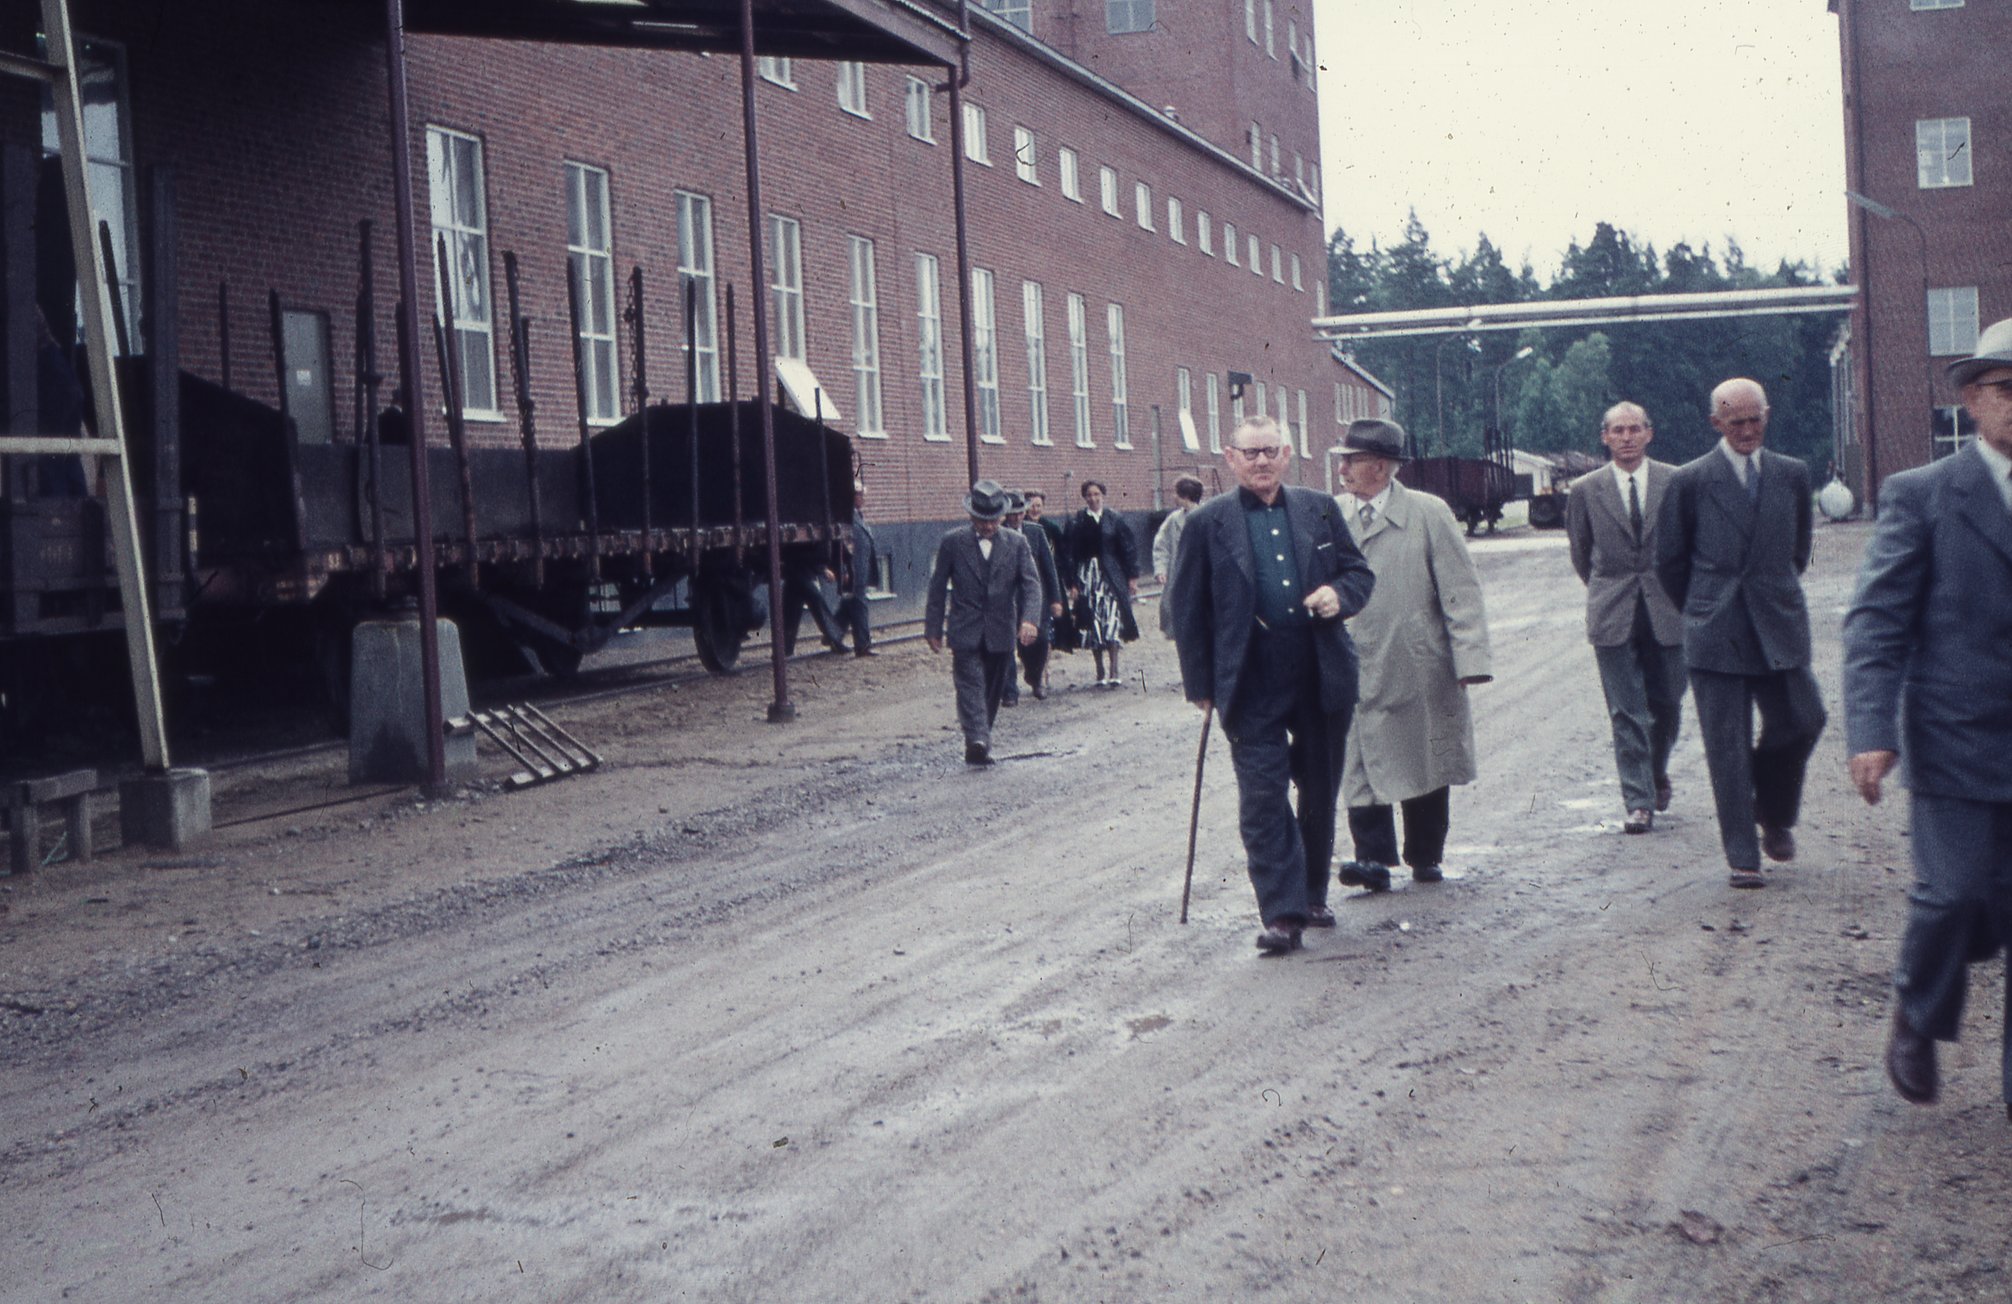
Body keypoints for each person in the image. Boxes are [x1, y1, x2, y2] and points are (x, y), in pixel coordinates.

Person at [1843, 317, 2012, 1114]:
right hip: (1957, 737)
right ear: (1974, 400)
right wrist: (1872, 731)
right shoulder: (1925, 495)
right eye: (2006, 391)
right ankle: (1918, 1006)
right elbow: (1876, 623)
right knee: (1956, 894)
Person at [1171, 416, 1374, 955]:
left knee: (1318, 788)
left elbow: (1359, 573)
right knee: (1262, 797)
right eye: (1250, 453)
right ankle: (1282, 913)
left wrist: (1338, 595)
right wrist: (1200, 683)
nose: (1261, 462)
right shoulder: (1206, 524)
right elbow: (1185, 610)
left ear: (1287, 454)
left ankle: (1311, 895)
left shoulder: (1320, 509)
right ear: (1230, 458)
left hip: (1319, 669)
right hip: (1249, 679)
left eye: (1270, 451)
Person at [1655, 377, 1825, 890]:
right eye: (1736, 422)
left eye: (1756, 420)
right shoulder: (1689, 480)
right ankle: (1743, 856)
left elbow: (1798, 548)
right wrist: (1704, 609)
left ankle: (1772, 810)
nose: (1748, 430)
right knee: (1726, 745)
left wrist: (1770, 592)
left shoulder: (1792, 474)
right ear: (1716, 424)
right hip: (1716, 627)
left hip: (1778, 621)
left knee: (1804, 718)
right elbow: (1669, 562)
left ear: (1767, 415)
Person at [1335, 418, 1492, 891]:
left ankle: (1426, 854)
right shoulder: (1330, 515)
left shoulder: (1428, 513)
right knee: (1358, 760)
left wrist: (1471, 660)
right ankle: (1373, 860)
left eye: (1352, 460)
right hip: (1351, 660)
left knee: (1422, 756)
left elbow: (1461, 591)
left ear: (1380, 467)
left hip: (1415, 662)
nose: (1342, 468)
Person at [1566, 402, 1687, 834]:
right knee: (1625, 710)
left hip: (1667, 607)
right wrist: (1607, 589)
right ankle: (1638, 800)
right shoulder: (1585, 489)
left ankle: (1655, 771)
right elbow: (1582, 553)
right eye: (1618, 430)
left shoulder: (1675, 481)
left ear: (1649, 434)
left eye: (1635, 429)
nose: (1627, 437)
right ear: (1605, 437)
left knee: (1668, 704)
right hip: (1612, 609)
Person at [924, 479, 1043, 766]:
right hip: (965, 628)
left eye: (992, 520)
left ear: (1002, 516)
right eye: (981, 520)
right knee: (970, 685)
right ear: (971, 516)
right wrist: (933, 628)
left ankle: (979, 739)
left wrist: (1029, 620)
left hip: (1001, 628)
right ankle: (977, 738)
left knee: (991, 688)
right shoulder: (952, 542)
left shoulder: (1017, 543)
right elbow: (938, 586)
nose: (987, 526)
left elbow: (1031, 585)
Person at [1063, 479, 1140, 687]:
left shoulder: (1114, 519)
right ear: (1085, 497)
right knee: (1092, 621)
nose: (1093, 498)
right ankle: (1100, 671)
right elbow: (1070, 553)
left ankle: (1114, 670)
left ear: (1102, 495)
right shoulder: (1077, 521)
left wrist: (1132, 577)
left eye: (1096, 494)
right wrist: (1071, 582)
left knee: (1112, 619)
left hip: (1111, 576)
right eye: (1089, 495)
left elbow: (1128, 549)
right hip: (1087, 577)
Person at [1005, 490, 1064, 702]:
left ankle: (1035, 676)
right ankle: (1009, 691)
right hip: (1009, 598)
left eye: (1019, 513)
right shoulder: (998, 532)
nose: (1015, 518)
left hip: (1036, 596)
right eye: (1011, 514)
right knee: (1011, 643)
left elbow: (1049, 568)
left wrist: (1056, 599)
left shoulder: (1036, 532)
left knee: (1039, 641)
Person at [1152, 476, 1206, 637]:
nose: (1173, 497)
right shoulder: (1173, 520)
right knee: (1177, 616)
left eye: (1175, 493)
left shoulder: (1207, 516)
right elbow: (1161, 545)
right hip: (1178, 574)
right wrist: (1161, 569)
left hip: (1202, 576)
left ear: (1186, 496)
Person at [835, 480, 878, 657]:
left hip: (860, 569)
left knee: (850, 604)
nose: (863, 499)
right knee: (859, 605)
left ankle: (833, 634)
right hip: (854, 571)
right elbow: (841, 547)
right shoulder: (847, 519)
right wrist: (843, 571)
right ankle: (862, 646)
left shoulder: (857, 516)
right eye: (860, 495)